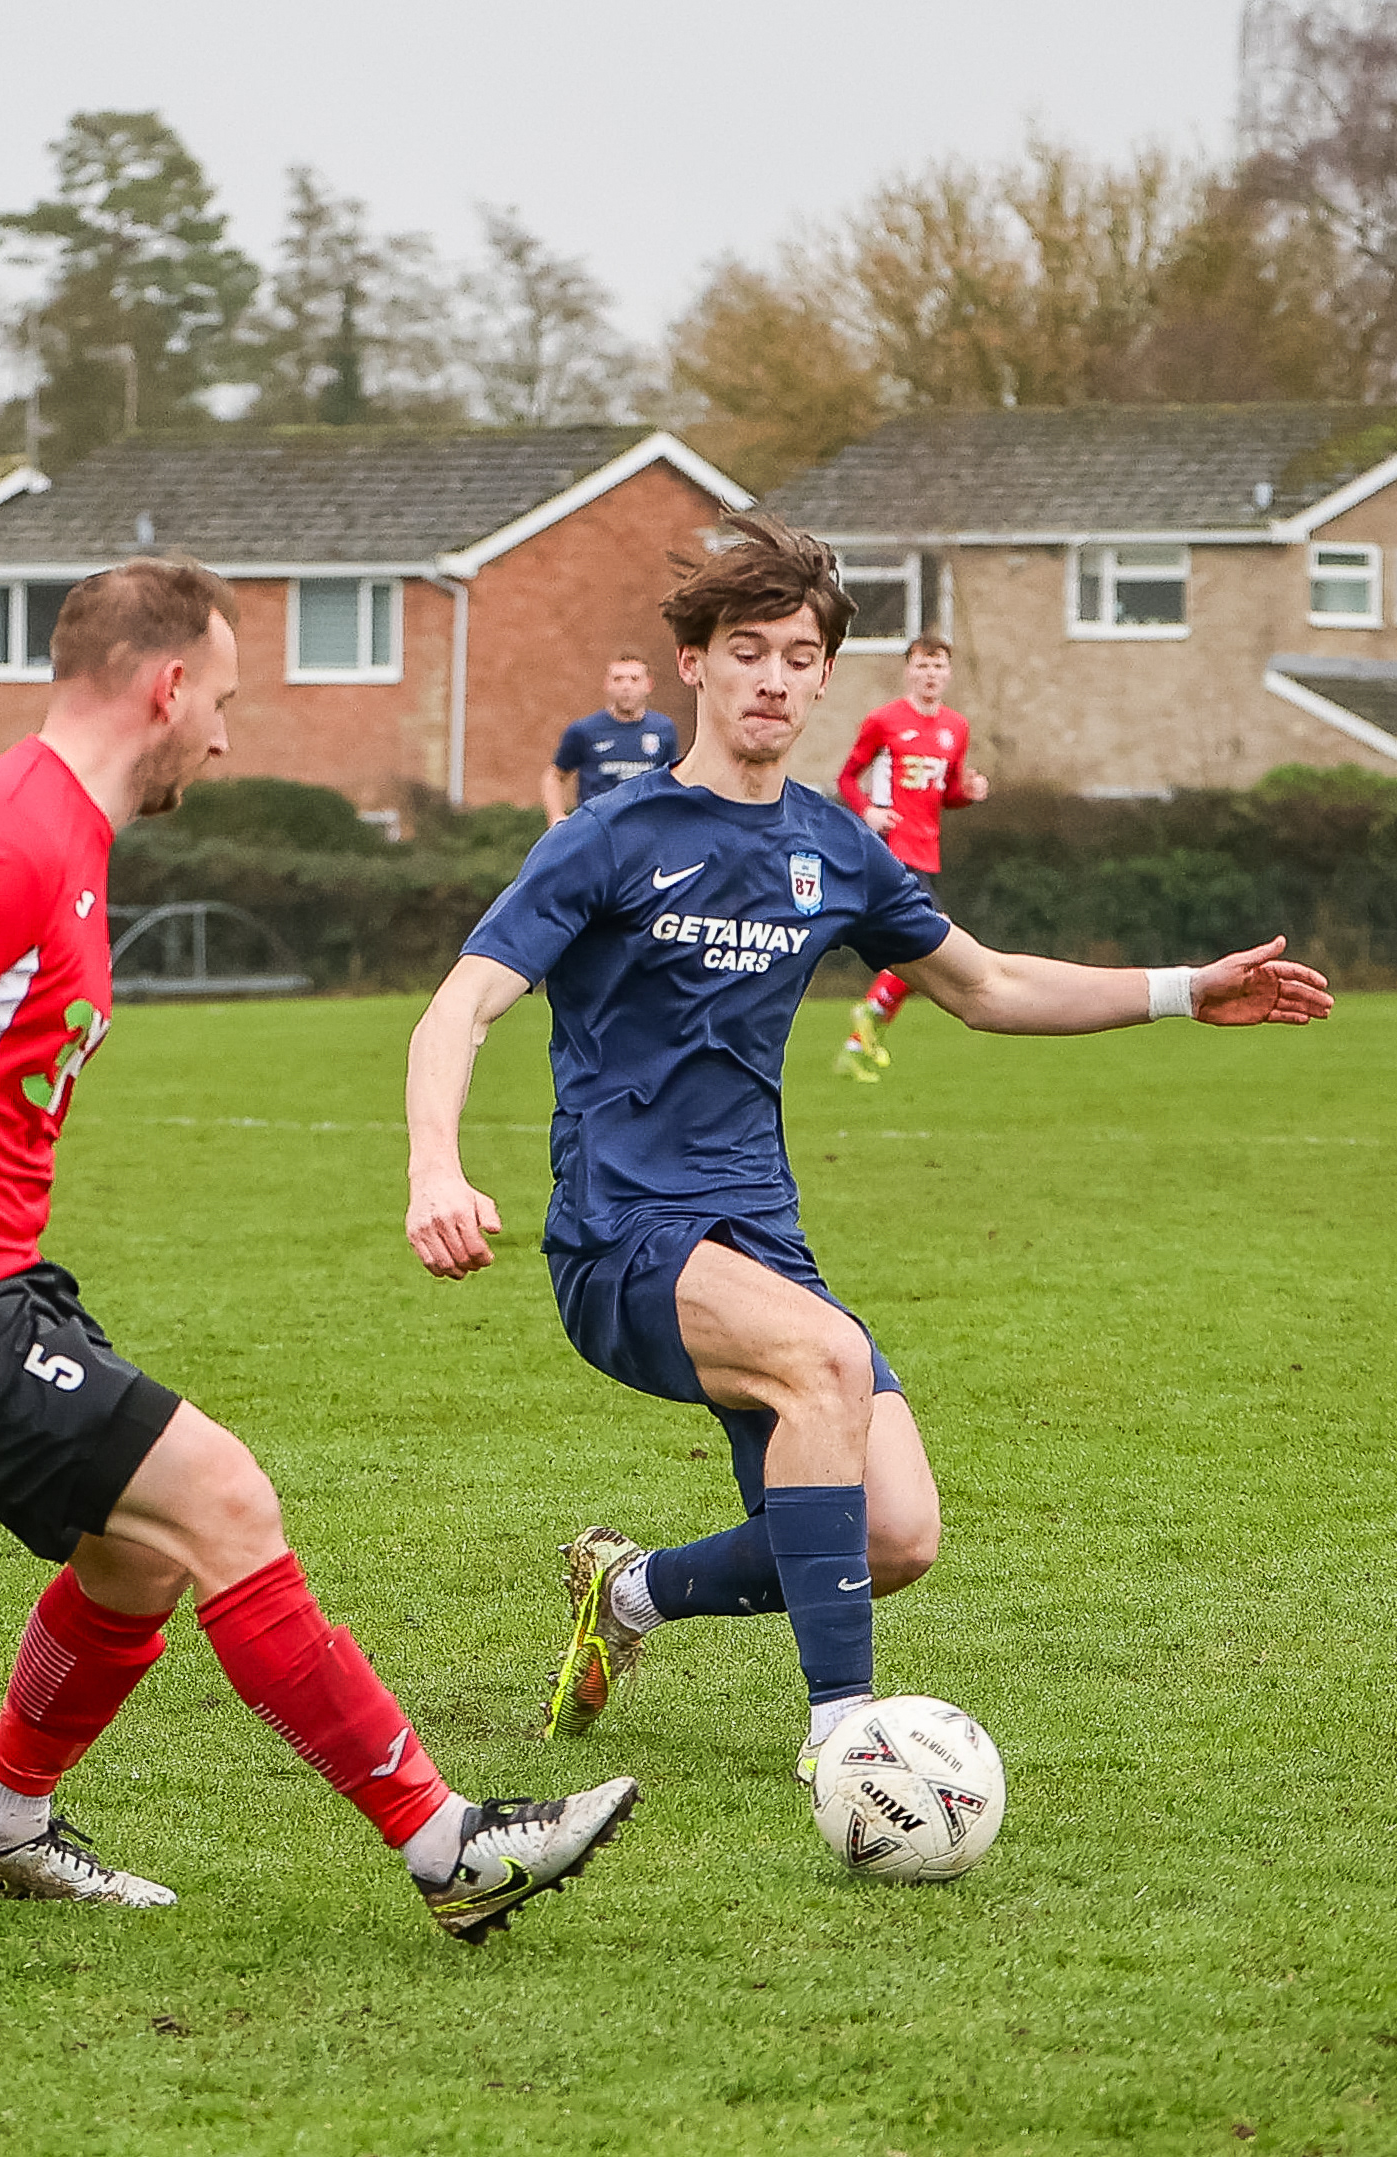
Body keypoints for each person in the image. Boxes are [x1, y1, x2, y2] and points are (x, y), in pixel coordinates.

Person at [402, 513, 1329, 1797]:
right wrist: (435, 1169)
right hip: (622, 1235)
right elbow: (459, 1006)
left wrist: (1182, 988)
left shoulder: (832, 846)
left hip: (758, 1235)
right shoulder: (609, 837)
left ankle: (630, 1591)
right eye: (747, 651)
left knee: (893, 1536)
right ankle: (847, 1735)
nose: (772, 679)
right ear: (695, 663)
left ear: (826, 677)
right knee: (828, 1361)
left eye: (799, 657)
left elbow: (988, 984)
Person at [0, 557, 637, 1938]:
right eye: (225, 702)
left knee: (137, 1558)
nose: (227, 738)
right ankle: (449, 1848)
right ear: (168, 686)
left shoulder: (66, 836)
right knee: (225, 1499)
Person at [833, 635, 988, 1083]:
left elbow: (948, 793)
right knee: (934, 936)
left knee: (918, 948)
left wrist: (969, 793)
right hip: (892, 847)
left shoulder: (956, 727)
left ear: (949, 674)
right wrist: (868, 812)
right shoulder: (884, 721)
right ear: (908, 671)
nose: (930, 674)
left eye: (938, 666)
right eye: (922, 666)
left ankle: (856, 1047)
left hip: (926, 849)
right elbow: (847, 778)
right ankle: (870, 1010)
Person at [543, 654, 681, 826]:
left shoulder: (664, 728)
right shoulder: (584, 730)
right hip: (597, 829)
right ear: (607, 684)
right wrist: (556, 817)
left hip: (645, 828)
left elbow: (671, 781)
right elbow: (554, 776)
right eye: (618, 679)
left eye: (634, 679)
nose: (626, 686)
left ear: (649, 685)